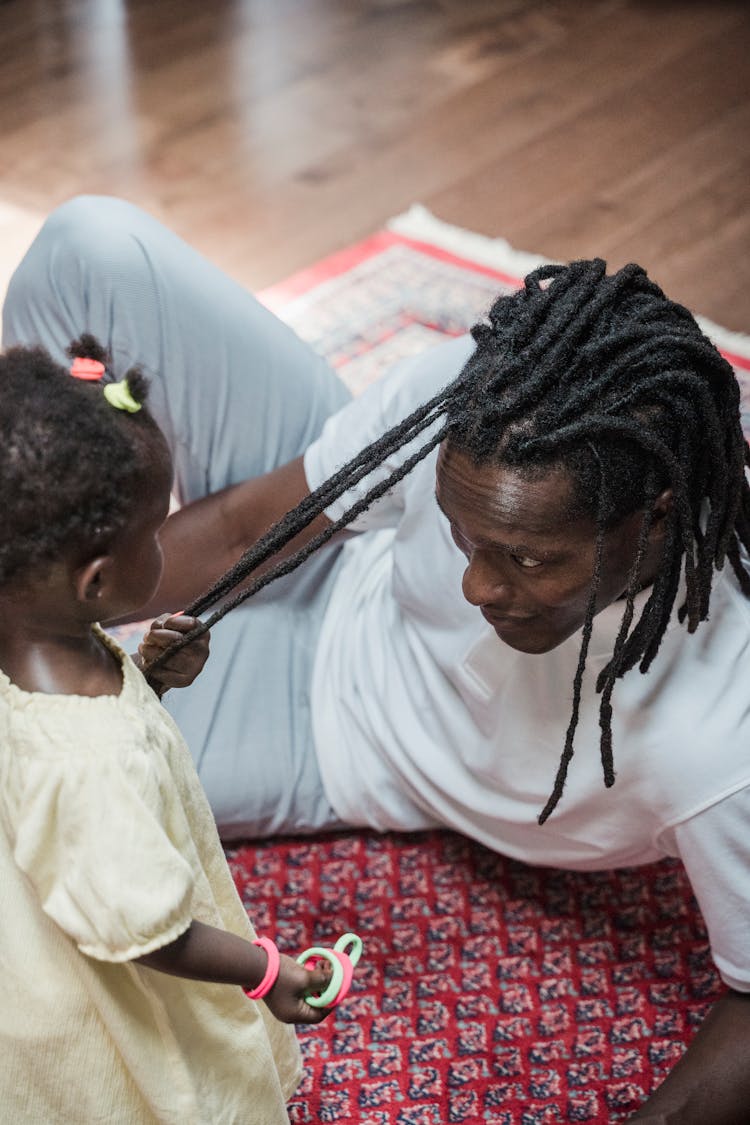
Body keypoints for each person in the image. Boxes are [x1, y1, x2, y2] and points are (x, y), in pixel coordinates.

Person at [3, 195, 750, 1122]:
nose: (477, 587)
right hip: (337, 571)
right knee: (91, 245)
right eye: (460, 535)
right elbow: (251, 523)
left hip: (323, 735)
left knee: (29, 816)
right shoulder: (485, 402)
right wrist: (40, 604)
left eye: (523, 558)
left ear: (661, 512)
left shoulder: (727, 734)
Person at [0, 335, 334, 1123]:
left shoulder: (41, 646)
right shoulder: (91, 762)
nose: (166, 541)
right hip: (108, 998)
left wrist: (146, 679)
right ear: (97, 580)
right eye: (155, 532)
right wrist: (263, 970)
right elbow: (148, 930)